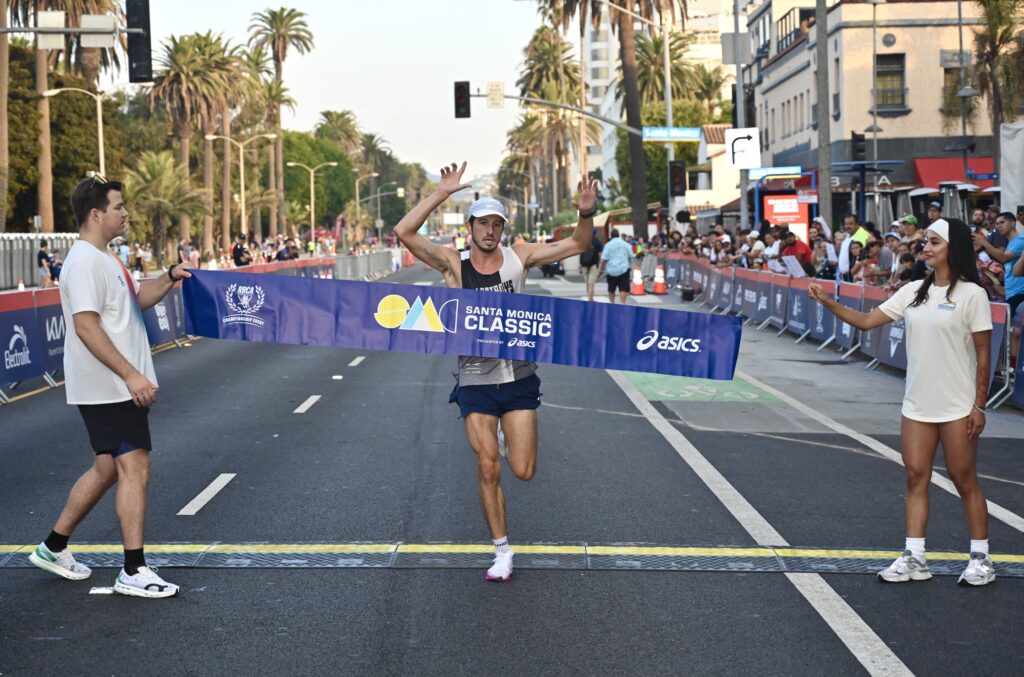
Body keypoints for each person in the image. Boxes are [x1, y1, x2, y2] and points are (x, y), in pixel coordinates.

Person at [393, 162, 597, 582]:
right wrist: (441, 193)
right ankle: (501, 550)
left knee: (522, 470)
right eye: (482, 223)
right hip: (475, 379)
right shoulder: (452, 264)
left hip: (519, 376)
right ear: (470, 227)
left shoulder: (519, 258)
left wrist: (585, 212)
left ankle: (508, 435)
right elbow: (404, 233)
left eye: (496, 224)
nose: (490, 230)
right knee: (487, 465)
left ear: (503, 229)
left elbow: (578, 243)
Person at [27, 175, 192, 598]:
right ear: (96, 214)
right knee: (134, 466)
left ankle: (53, 546)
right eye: (118, 207)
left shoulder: (107, 258)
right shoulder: (82, 261)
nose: (126, 213)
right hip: (108, 387)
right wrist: (130, 375)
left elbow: (136, 298)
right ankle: (133, 570)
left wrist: (170, 276)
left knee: (107, 468)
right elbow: (86, 326)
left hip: (112, 386)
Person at [809, 218, 995, 586]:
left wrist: (979, 406)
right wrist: (829, 302)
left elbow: (985, 356)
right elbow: (865, 322)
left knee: (964, 480)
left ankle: (981, 559)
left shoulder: (973, 295)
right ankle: (914, 557)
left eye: (935, 242)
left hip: (958, 407)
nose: (926, 248)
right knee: (915, 478)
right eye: (925, 241)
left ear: (953, 249)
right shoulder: (912, 291)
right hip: (917, 405)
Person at [600, 229, 632, 303]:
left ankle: (612, 303)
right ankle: (622, 303)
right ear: (619, 235)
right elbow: (631, 255)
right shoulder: (625, 244)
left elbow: (604, 259)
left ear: (611, 236)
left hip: (612, 270)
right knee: (623, 288)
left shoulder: (608, 245)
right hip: (624, 269)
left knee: (611, 289)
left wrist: (601, 270)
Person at [578, 227, 604, 302]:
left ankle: (589, 297)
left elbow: (580, 252)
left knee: (587, 283)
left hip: (584, 264)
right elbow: (600, 254)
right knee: (591, 284)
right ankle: (590, 300)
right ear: (595, 233)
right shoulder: (598, 242)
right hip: (594, 265)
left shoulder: (583, 241)